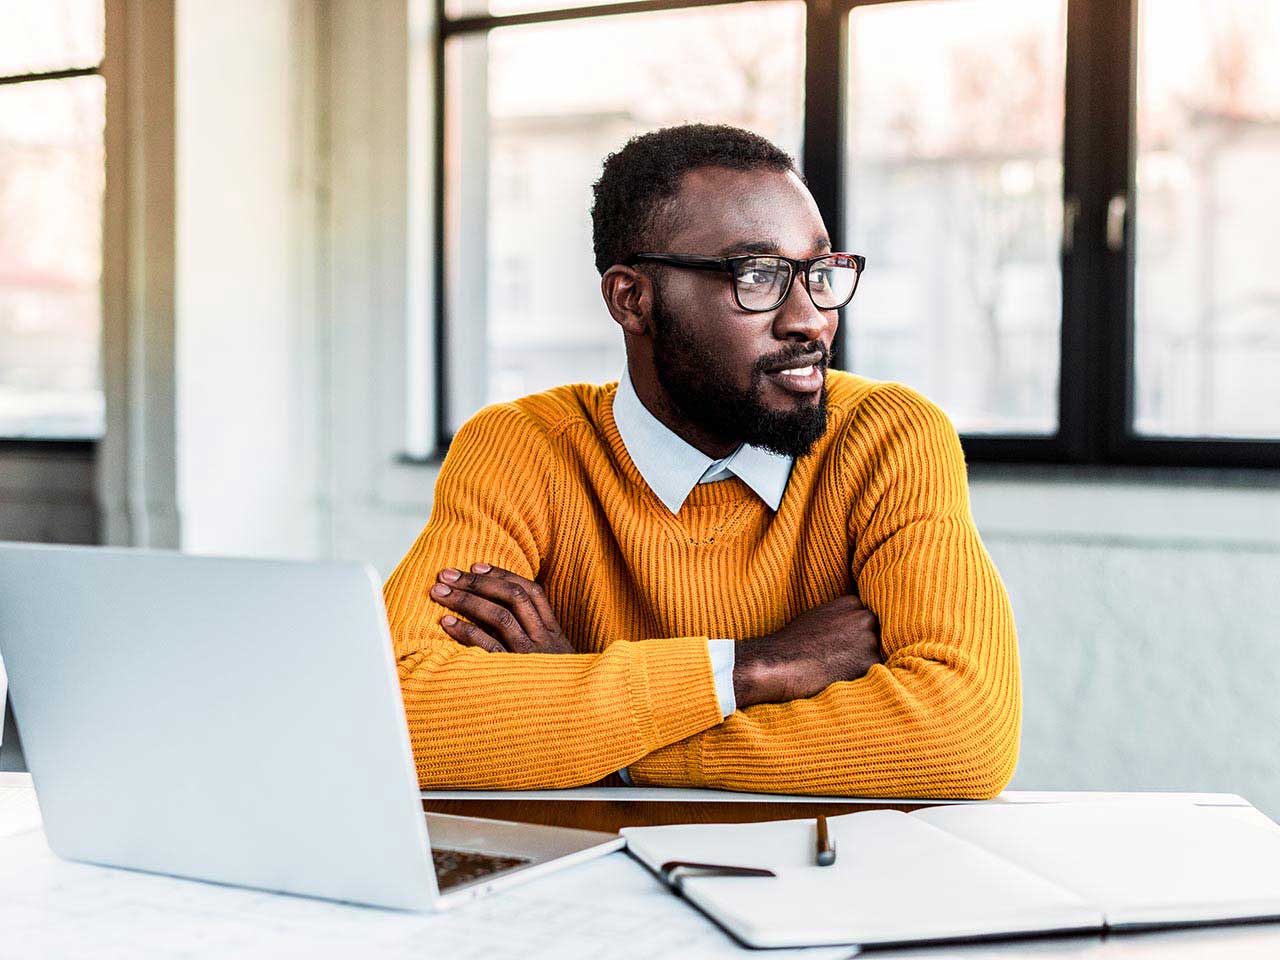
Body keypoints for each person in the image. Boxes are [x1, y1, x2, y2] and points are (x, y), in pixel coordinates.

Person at [383, 123, 1020, 797]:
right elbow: (391, 708)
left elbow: (962, 733)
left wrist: (602, 741)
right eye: (759, 275)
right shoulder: (524, 447)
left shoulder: (888, 438)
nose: (811, 319)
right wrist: (752, 668)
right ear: (632, 299)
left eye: (820, 272)